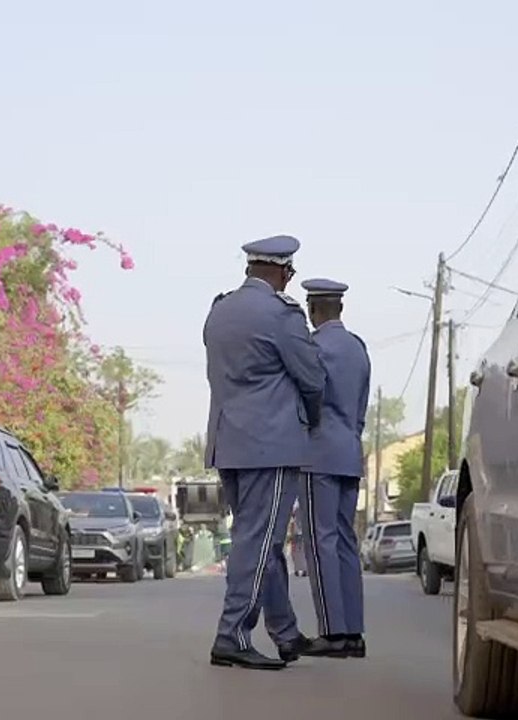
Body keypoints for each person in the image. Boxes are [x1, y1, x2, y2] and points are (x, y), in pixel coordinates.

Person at [203, 234, 326, 671]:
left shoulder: (219, 311)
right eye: (289, 273)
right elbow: (312, 378)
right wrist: (309, 419)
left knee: (260, 541)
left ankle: (285, 632)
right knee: (258, 543)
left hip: (228, 443)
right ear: (281, 271)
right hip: (271, 445)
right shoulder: (282, 315)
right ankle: (231, 635)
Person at [296, 277, 372, 659]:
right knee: (345, 542)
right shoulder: (358, 348)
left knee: (319, 540)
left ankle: (332, 632)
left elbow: (310, 399)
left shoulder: (313, 347)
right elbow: (360, 407)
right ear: (339, 307)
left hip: (317, 454)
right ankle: (354, 631)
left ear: (313, 310)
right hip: (349, 451)